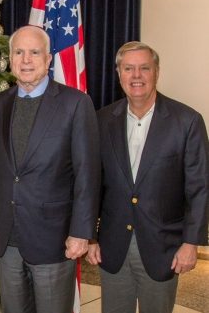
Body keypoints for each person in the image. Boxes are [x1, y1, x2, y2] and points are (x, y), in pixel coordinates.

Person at [0, 25, 101, 313]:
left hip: (54, 240)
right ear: (11, 58)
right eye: (19, 52)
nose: (26, 59)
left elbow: (87, 174)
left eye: (34, 52)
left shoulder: (75, 104)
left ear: (48, 59)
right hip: (8, 240)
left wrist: (81, 232)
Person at [86, 41, 209, 313]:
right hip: (113, 246)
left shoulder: (187, 121)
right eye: (128, 69)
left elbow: (200, 188)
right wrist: (90, 236)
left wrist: (191, 243)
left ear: (157, 72)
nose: (136, 76)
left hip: (163, 247)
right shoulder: (101, 120)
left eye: (144, 68)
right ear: (119, 74)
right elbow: (92, 183)